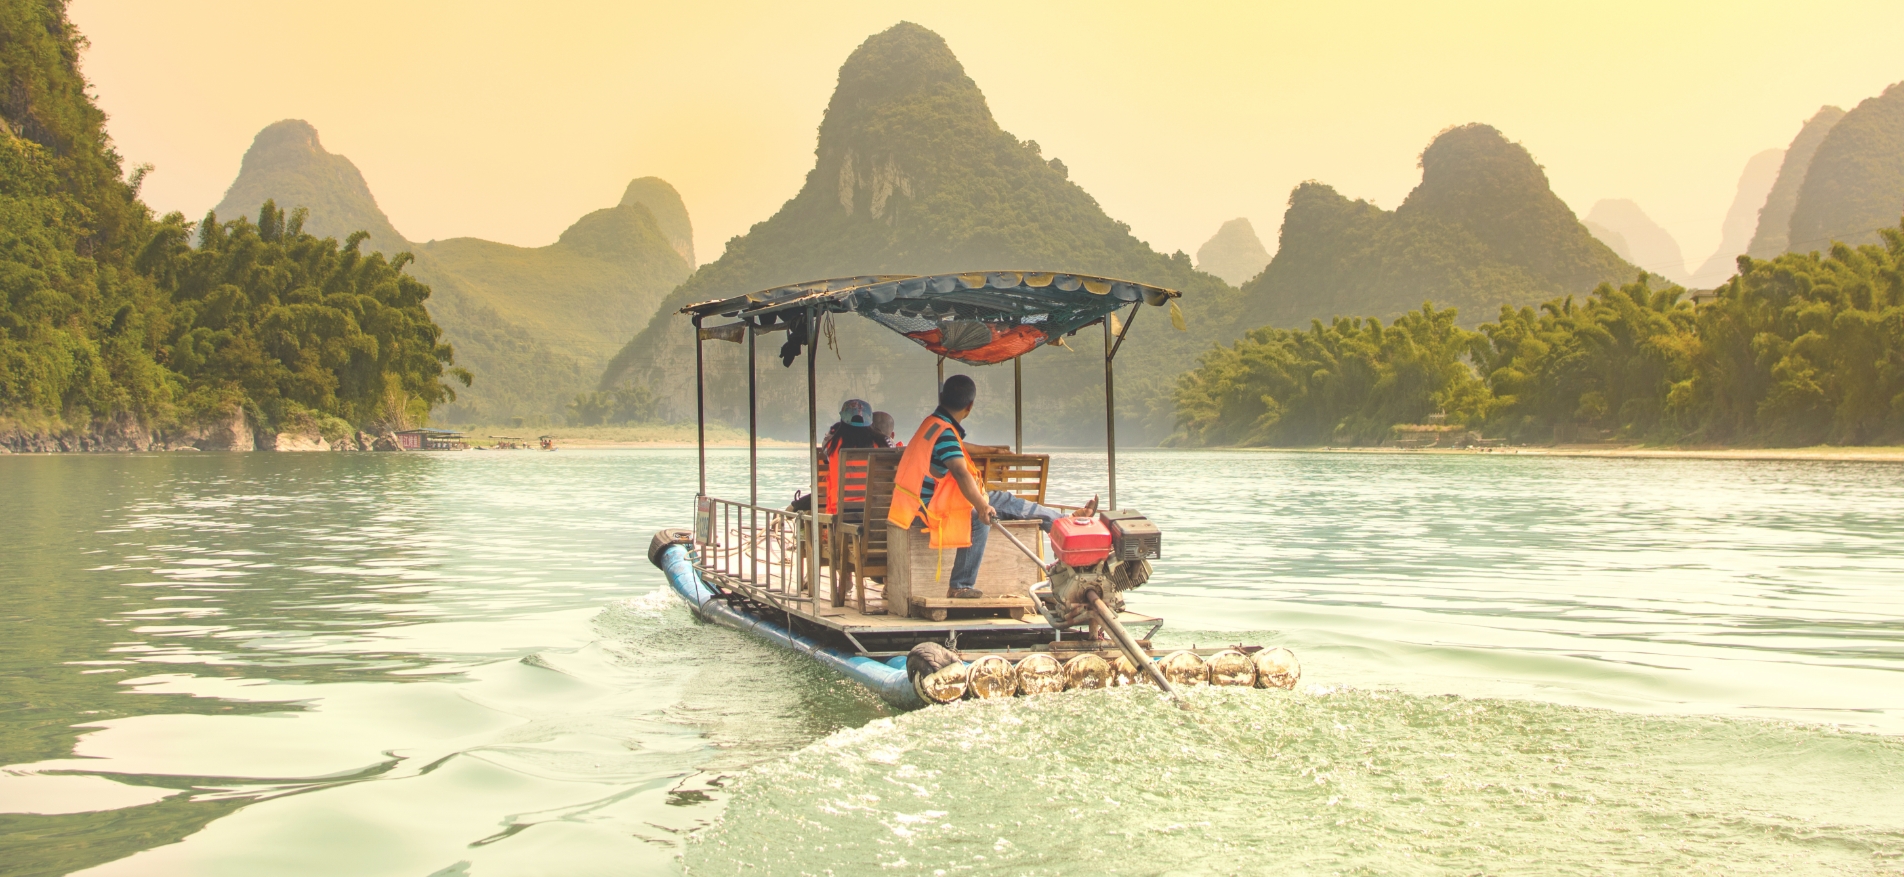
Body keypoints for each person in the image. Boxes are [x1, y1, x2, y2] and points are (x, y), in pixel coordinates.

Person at [887, 375, 1094, 599]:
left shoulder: (933, 424)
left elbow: (957, 445)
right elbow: (959, 471)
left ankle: (1063, 522)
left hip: (920, 502)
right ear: (970, 406)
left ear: (942, 398)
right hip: (928, 510)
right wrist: (981, 505)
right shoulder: (944, 432)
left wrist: (992, 451)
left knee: (1005, 500)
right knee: (979, 516)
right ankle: (960, 585)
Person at [816, 399, 888, 516]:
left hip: (842, 510)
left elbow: (825, 447)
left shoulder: (832, 445)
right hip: (877, 509)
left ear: (843, 420)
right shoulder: (881, 444)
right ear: (870, 421)